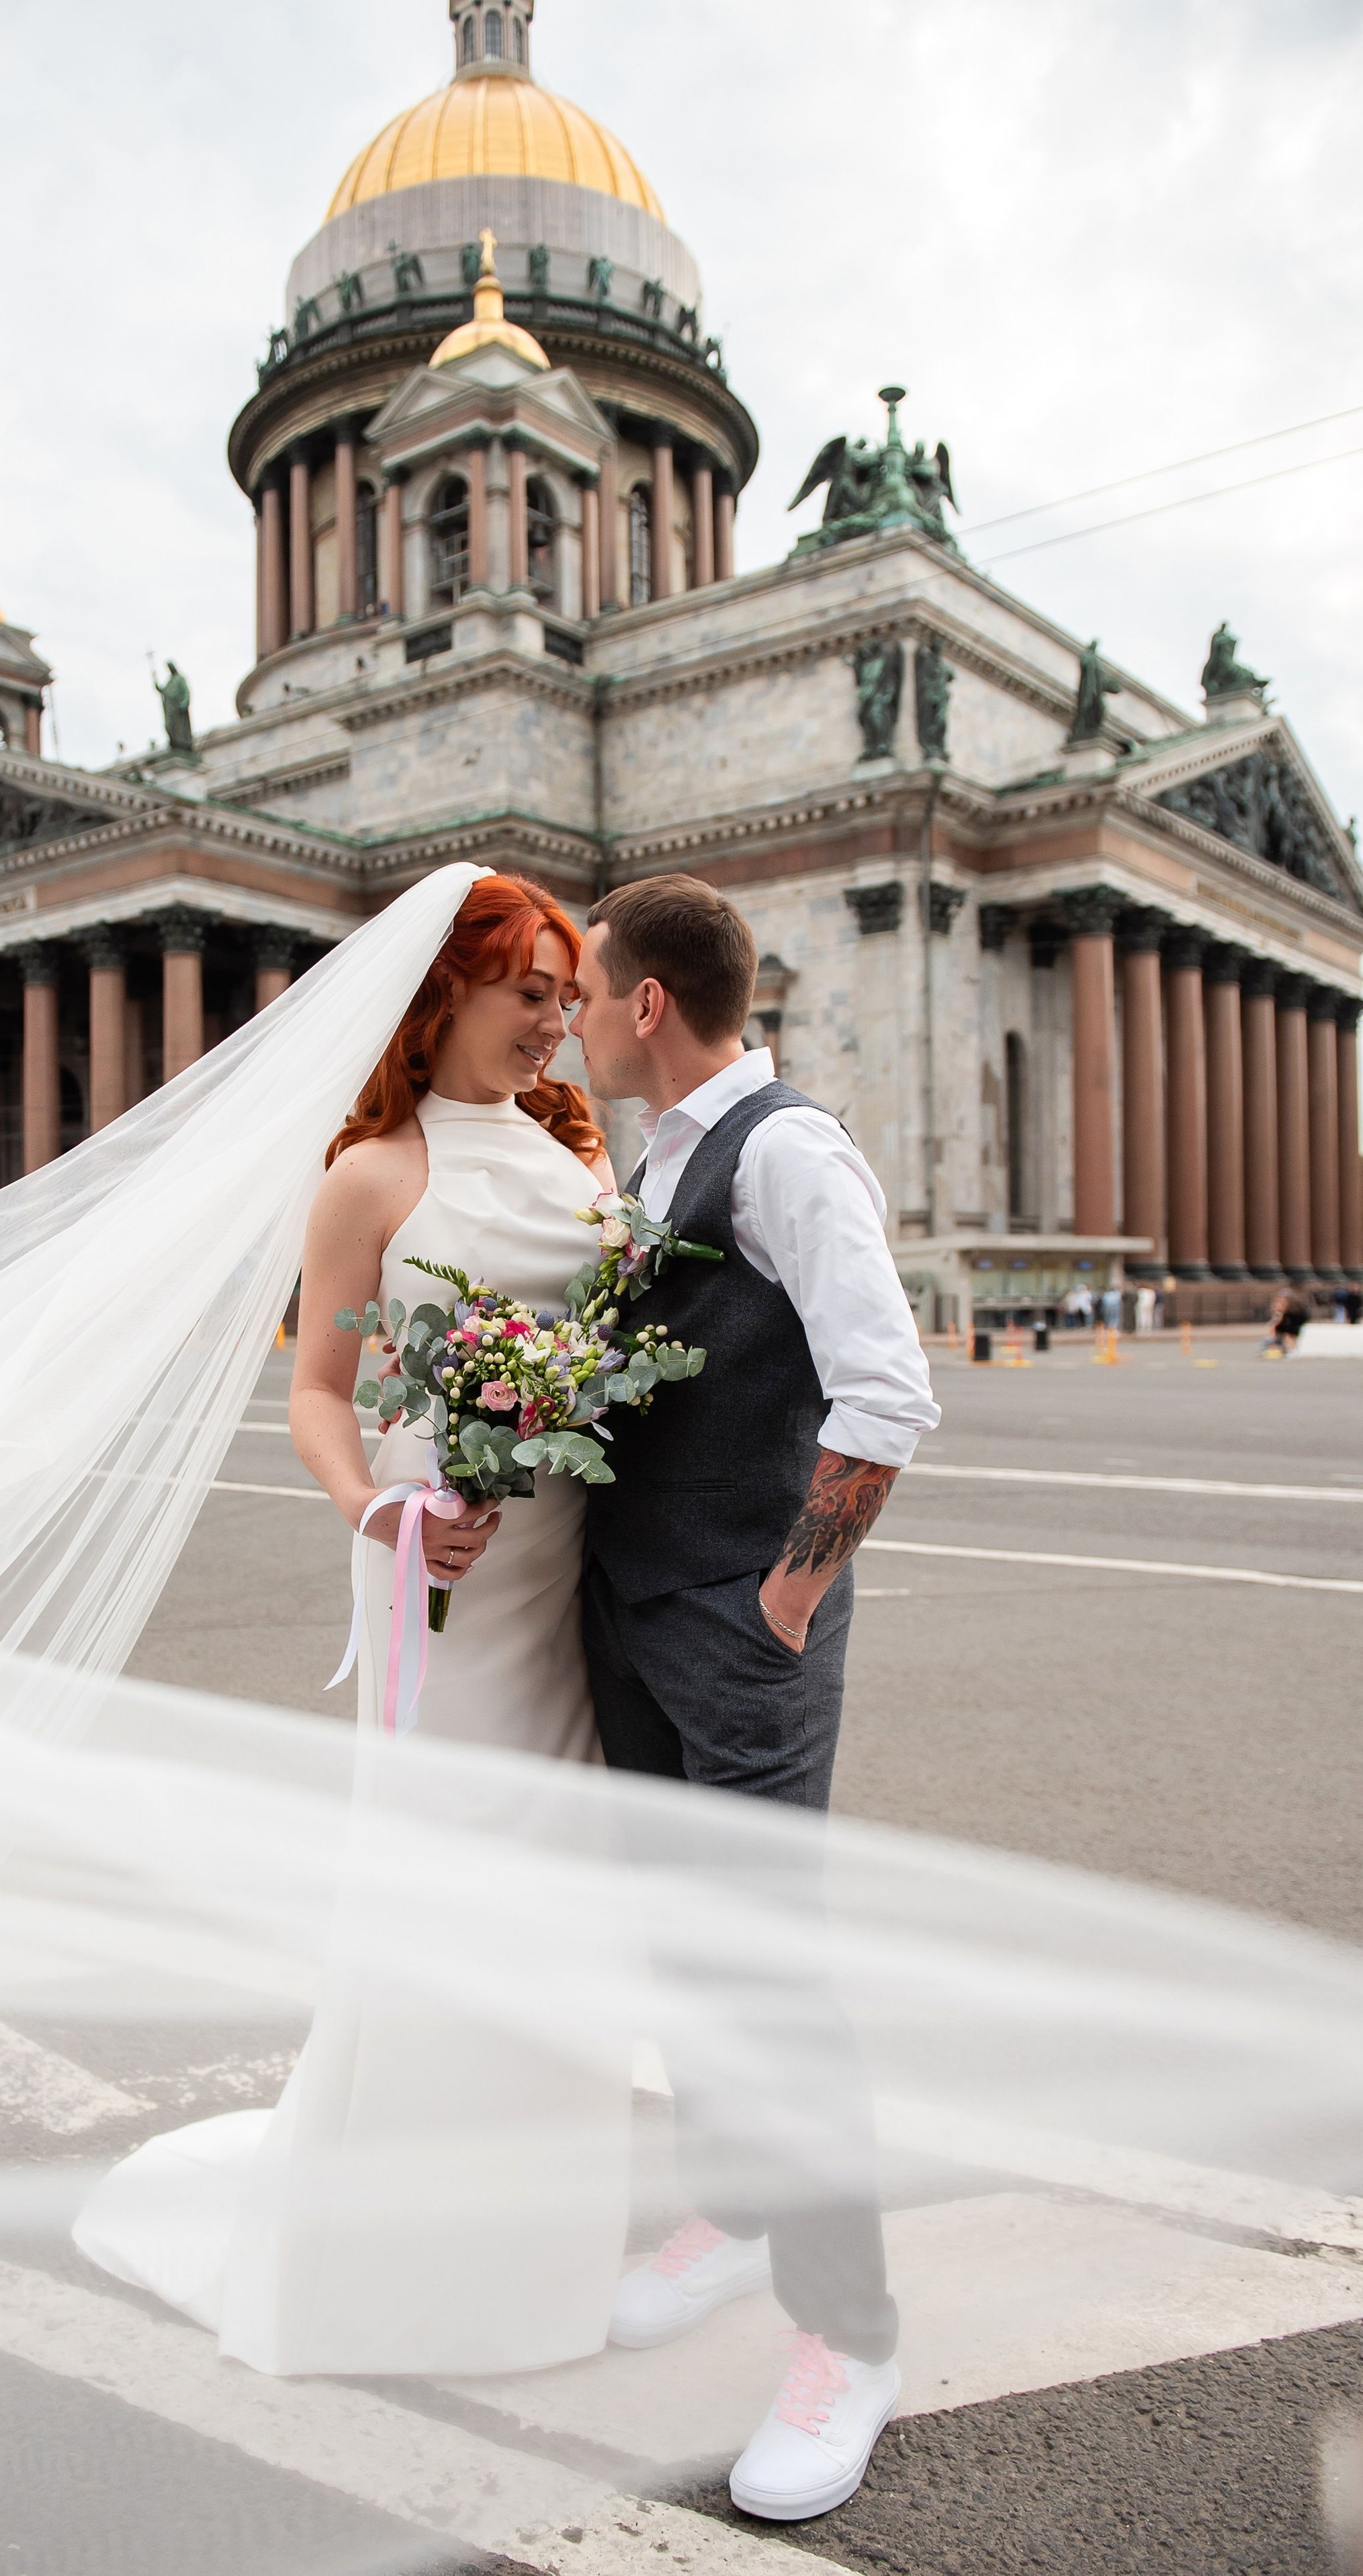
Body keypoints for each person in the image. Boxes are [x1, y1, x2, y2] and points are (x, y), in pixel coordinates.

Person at [76, 873, 637, 2375]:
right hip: (433, 1569)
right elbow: (315, 1396)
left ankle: (542, 2238)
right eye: (526, 988)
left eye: (562, 996)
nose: (551, 1022)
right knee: (450, 1880)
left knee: (561, 1894)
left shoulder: (581, 1166)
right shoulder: (372, 1176)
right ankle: (401, 2242)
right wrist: (379, 1512)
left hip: (562, 1567)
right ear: (441, 992)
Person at [569, 875, 939, 2522]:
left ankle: (847, 2335)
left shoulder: (783, 1149)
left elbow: (886, 1388)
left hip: (735, 1621)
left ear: (647, 1002)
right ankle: (727, 2207)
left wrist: (788, 1590)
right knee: (684, 1940)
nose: (573, 1017)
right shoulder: (651, 1158)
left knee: (772, 1976)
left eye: (586, 991)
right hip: (634, 1610)